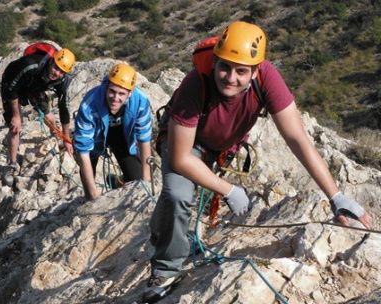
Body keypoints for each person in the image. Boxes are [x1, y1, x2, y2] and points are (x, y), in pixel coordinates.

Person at [143, 21, 372, 302]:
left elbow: (297, 138)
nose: (230, 77)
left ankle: (163, 226)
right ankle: (166, 270)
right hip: (186, 143)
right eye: (224, 67)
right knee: (179, 194)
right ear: (214, 62)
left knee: (173, 201)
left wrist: (336, 195)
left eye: (241, 71)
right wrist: (227, 190)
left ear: (254, 71)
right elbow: (180, 159)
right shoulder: (196, 83)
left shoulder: (267, 79)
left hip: (222, 145)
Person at [73, 63, 152, 200]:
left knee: (136, 179)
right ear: (106, 86)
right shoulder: (89, 105)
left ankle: (116, 182)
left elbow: (144, 139)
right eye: (112, 91)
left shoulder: (140, 102)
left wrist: (146, 181)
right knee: (89, 187)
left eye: (121, 94)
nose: (115, 98)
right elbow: (83, 150)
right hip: (95, 139)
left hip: (122, 137)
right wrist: (93, 195)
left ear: (130, 93)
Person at [1, 45, 76, 181]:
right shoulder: (30, 65)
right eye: (56, 67)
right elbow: (12, 91)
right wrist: (17, 116)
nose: (57, 73)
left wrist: (66, 139)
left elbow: (63, 108)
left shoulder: (61, 79)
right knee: (15, 127)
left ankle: (56, 135)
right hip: (12, 84)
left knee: (49, 117)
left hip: (37, 86)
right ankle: (11, 164)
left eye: (61, 71)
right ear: (51, 60)